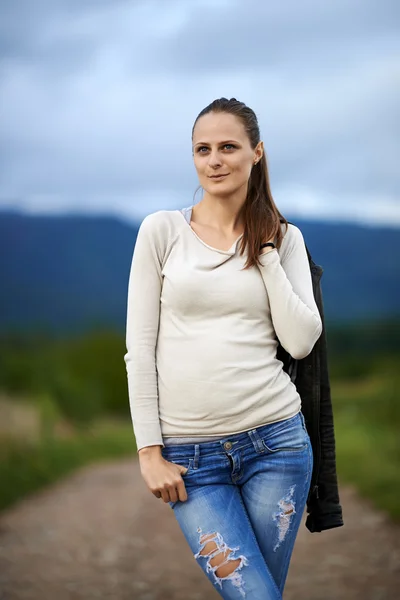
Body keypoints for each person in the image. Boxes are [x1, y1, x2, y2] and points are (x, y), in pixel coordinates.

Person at [124, 97, 323, 599]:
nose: (214, 160)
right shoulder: (162, 231)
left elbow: (300, 342)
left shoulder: (285, 238)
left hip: (276, 446)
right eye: (202, 149)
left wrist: (266, 250)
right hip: (191, 462)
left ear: (257, 153)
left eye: (228, 147)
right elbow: (139, 348)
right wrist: (149, 450)